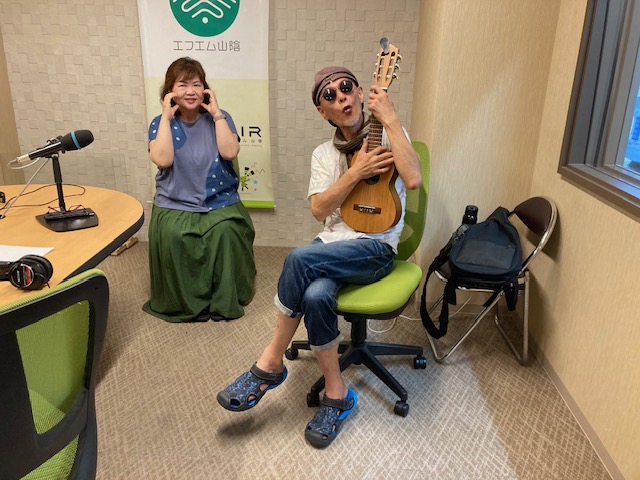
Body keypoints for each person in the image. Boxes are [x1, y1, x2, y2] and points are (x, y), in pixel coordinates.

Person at [216, 66, 422, 448]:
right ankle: (337, 394)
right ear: (322, 111)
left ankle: (270, 363)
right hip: (330, 244)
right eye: (329, 95)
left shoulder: (392, 136)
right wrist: (356, 172)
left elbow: (413, 179)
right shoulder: (323, 154)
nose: (340, 97)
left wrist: (391, 117)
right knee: (314, 295)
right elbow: (319, 210)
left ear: (360, 93)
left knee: (297, 259)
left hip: (375, 248)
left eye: (346, 88)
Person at [142, 57, 256, 323]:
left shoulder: (221, 117)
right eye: (182, 85)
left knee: (226, 231)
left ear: (205, 89)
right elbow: (163, 160)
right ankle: (185, 302)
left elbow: (230, 151)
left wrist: (217, 115)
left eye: (196, 84)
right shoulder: (160, 123)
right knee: (174, 235)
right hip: (174, 203)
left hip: (220, 201)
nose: (190, 91)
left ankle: (223, 300)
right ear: (170, 91)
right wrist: (167, 117)